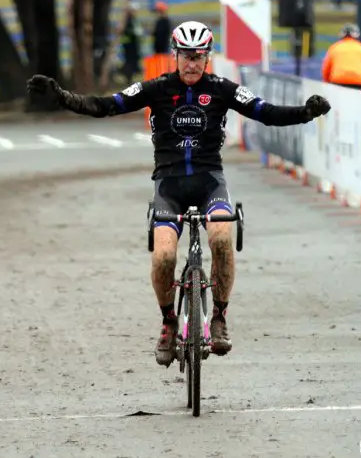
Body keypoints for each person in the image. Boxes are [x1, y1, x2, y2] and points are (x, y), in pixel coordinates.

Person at [27, 21, 331, 367]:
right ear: (175, 55)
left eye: (198, 57)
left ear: (207, 57)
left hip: (209, 182)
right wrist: (63, 97)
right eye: (186, 56)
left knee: (220, 237)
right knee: (163, 259)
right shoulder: (156, 88)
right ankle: (169, 323)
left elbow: (266, 112)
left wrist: (305, 113)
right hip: (169, 185)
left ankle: (218, 316)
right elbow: (105, 105)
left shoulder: (222, 89)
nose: (191, 64)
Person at [322, 23, 361, 92]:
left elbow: (326, 70)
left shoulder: (334, 48)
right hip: (359, 82)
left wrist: (328, 85)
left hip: (338, 81)